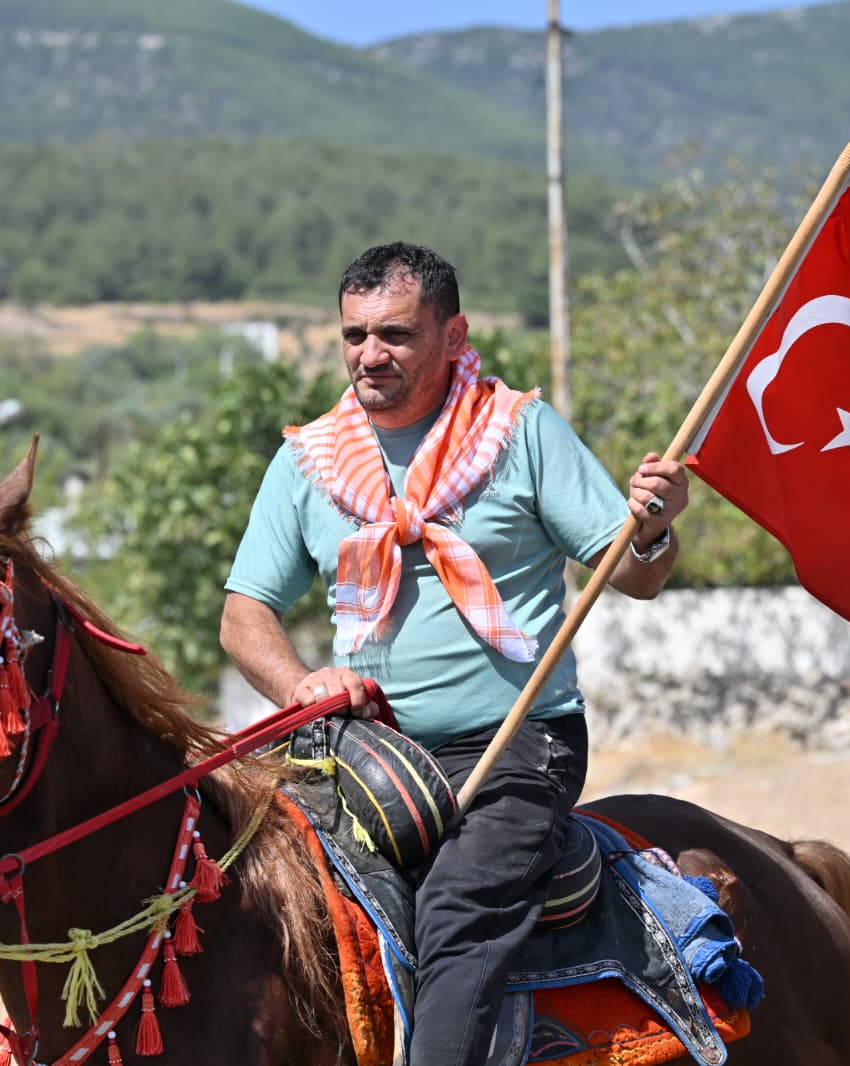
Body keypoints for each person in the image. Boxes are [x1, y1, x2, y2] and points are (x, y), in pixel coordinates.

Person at [218, 242, 688, 1065]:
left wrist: (650, 529)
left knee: (457, 911)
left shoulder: (521, 432)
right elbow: (243, 612)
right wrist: (300, 684)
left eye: (395, 334)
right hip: (357, 751)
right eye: (354, 335)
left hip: (514, 745)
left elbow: (635, 577)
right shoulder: (308, 460)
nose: (371, 355)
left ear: (453, 332)